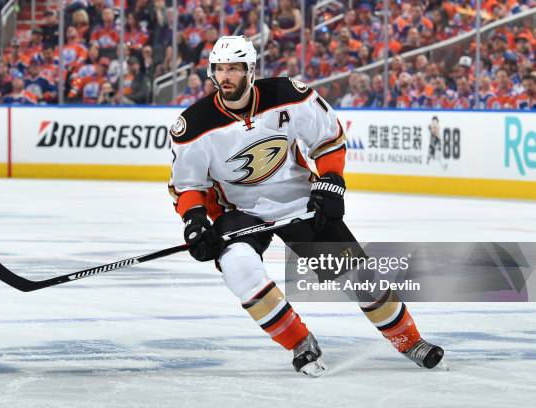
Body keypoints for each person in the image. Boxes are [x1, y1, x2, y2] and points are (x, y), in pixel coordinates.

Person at [168, 36, 445, 377]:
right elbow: (187, 185)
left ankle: (410, 340)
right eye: (220, 69)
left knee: (358, 275)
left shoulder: (288, 95)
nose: (226, 76)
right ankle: (300, 341)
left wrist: (331, 180)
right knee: (238, 267)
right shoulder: (194, 124)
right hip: (240, 213)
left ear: (250, 71)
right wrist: (195, 224)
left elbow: (328, 139)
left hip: (300, 201)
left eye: (234, 69)